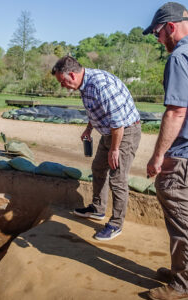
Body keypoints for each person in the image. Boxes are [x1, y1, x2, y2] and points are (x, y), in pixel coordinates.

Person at [51, 56, 141, 241]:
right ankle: (98, 209)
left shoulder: (100, 85)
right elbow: (96, 110)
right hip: (110, 132)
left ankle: (116, 224)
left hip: (124, 133)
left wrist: (114, 150)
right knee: (98, 168)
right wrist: (89, 129)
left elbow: (118, 123)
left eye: (63, 81)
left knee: (117, 177)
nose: (62, 86)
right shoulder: (85, 84)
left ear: (73, 75)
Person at [144, 2, 188, 299]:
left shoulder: (180, 57)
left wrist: (158, 155)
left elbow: (176, 112)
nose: (158, 40)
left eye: (157, 34)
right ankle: (182, 269)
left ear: (170, 27)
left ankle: (185, 283)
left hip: (185, 153)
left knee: (182, 216)